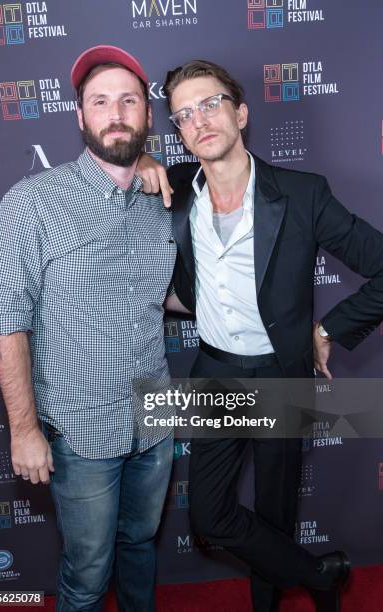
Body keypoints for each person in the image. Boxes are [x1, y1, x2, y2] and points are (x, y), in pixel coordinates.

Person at [138, 59, 383, 612]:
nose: (198, 120)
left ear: (241, 112)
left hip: (279, 373)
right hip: (217, 372)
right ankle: (321, 573)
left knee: (275, 513)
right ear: (177, 132)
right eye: (182, 115)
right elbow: (115, 168)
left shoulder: (302, 193)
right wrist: (145, 158)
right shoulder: (173, 189)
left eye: (211, 104)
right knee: (211, 514)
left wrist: (329, 328)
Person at [0, 45, 177, 612]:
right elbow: (6, 322)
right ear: (80, 116)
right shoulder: (31, 202)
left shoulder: (161, 199)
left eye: (129, 101)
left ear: (147, 114)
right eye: (100, 101)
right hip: (80, 433)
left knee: (140, 547)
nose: (115, 113)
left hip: (154, 420)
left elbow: (170, 295)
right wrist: (22, 430)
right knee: (89, 572)